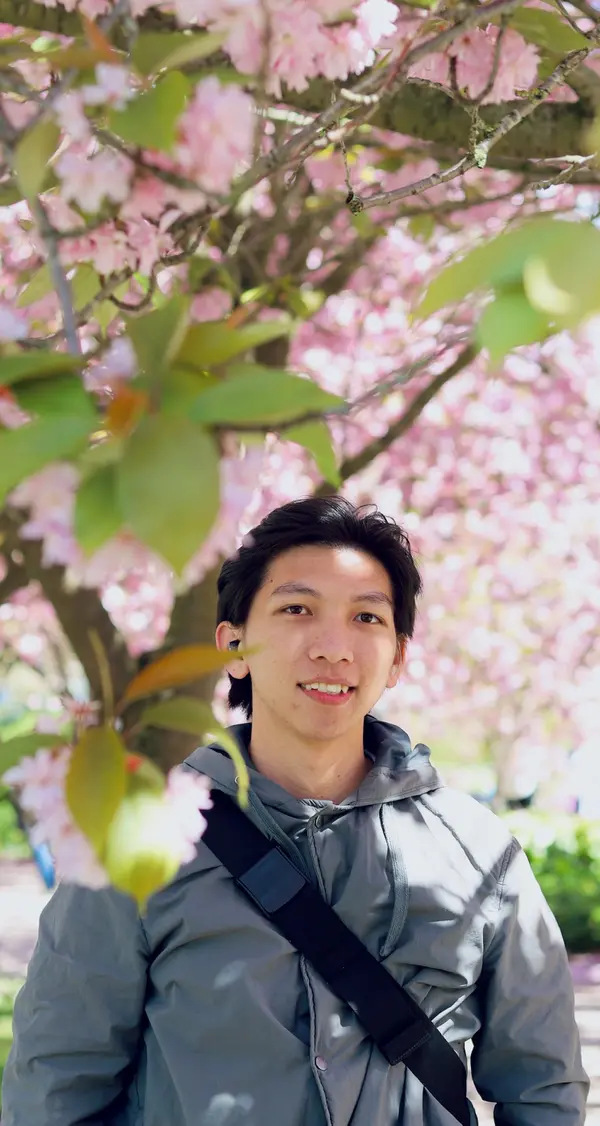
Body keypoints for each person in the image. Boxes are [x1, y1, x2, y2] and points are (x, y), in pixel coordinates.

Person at [2, 496, 588, 1126]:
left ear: (398, 657)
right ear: (233, 645)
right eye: (297, 609)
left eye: (367, 617)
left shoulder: (479, 854)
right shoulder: (142, 843)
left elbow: (543, 1089)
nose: (334, 647)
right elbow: (57, 1084)